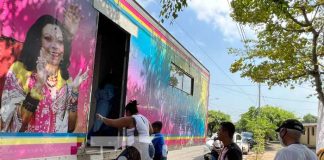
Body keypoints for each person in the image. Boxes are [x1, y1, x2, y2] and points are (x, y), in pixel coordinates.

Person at [0, 5, 88, 133]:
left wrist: (74, 92)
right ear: (37, 41)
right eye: (48, 39)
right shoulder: (20, 71)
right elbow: (10, 126)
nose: (55, 47)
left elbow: (70, 127)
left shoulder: (65, 79)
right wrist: (38, 85)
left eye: (60, 41)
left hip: (54, 152)